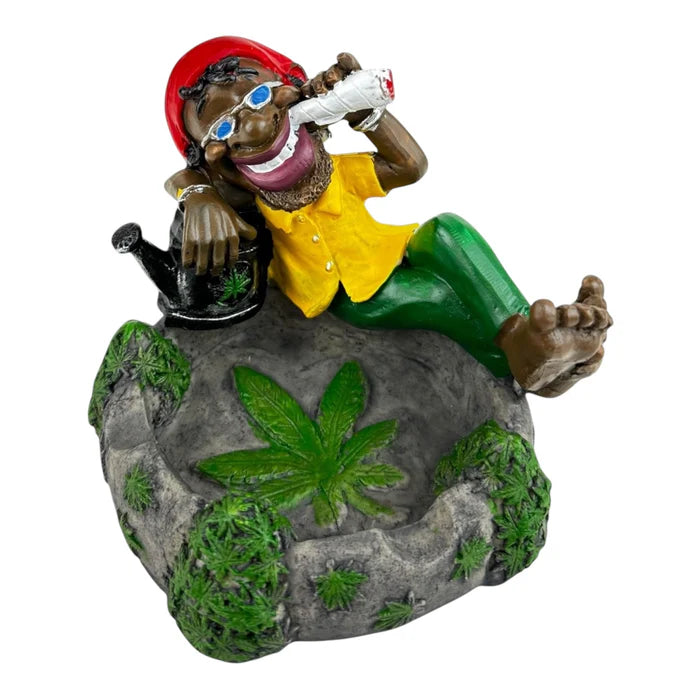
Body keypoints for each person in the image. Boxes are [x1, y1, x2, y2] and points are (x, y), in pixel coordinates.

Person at [164, 36, 611, 397]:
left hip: (395, 252)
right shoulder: (252, 210)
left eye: (260, 96)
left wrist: (367, 112)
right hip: (357, 295)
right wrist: (199, 193)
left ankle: (533, 339)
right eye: (224, 127)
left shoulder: (334, 174)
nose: (257, 126)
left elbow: (410, 166)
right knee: (437, 298)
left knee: (447, 231)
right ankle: (530, 357)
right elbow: (182, 179)